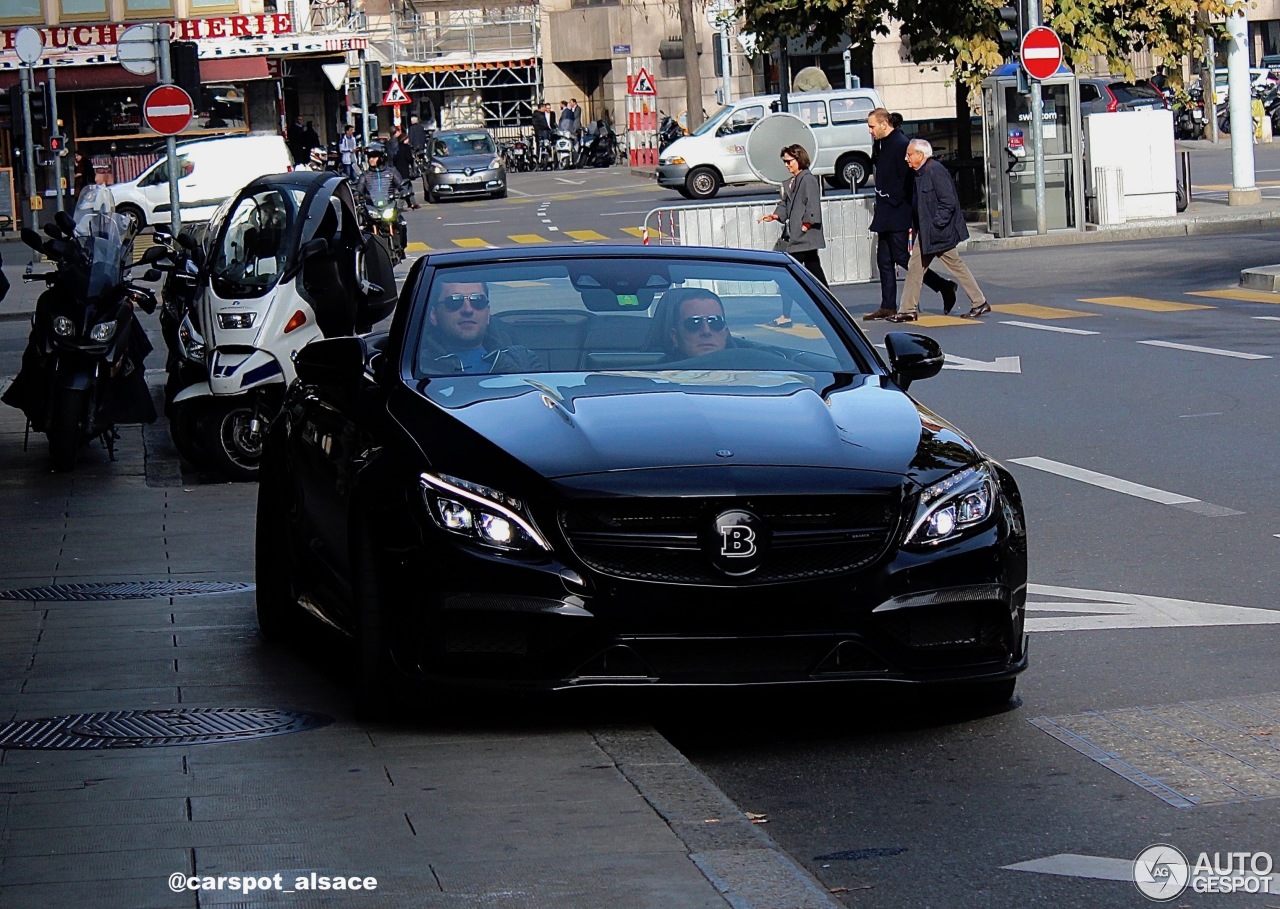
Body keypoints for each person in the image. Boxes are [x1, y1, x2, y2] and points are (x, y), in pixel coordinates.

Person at [863, 108, 957, 320]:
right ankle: (888, 305)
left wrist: (893, 198)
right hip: (886, 209)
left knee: (902, 257)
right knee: (884, 259)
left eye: (872, 126)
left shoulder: (899, 143)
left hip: (898, 209)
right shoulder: (882, 143)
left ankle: (943, 286)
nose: (870, 131)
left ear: (884, 124)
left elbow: (908, 177)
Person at [890, 138, 990, 322]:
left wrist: (936, 224)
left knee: (954, 265)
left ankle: (979, 302)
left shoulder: (935, 171)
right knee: (915, 267)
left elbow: (948, 201)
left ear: (920, 155)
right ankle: (907, 310)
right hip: (929, 232)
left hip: (938, 232)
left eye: (909, 154)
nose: (906, 158)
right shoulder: (921, 172)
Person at [758, 144, 826, 325]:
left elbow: (812, 204)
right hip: (801, 235)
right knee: (814, 273)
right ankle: (827, 312)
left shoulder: (807, 179)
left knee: (787, 274)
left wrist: (806, 225)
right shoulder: (793, 181)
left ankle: (788, 315)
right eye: (785, 162)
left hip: (804, 235)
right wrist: (775, 215)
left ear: (799, 159)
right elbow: (786, 204)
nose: (787, 165)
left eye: (789, 161)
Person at [419, 280, 544, 374]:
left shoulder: (523, 360)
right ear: (433, 315)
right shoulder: (416, 367)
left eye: (477, 301)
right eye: (454, 301)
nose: (468, 310)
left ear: (488, 313)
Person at [355, 143, 410, 249]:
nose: (371, 159)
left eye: (374, 156)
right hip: (372, 208)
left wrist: (404, 193)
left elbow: (402, 186)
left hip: (389, 206)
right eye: (370, 157)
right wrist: (357, 196)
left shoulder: (392, 172)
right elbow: (359, 190)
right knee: (362, 228)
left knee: (401, 223)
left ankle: (400, 247)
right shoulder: (365, 176)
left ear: (381, 157)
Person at [390, 125, 418, 208]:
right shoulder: (406, 148)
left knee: (409, 186)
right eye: (407, 138)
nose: (408, 140)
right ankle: (399, 206)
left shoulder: (397, 148)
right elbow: (409, 158)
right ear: (404, 140)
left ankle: (413, 203)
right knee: (404, 188)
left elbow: (394, 159)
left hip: (398, 170)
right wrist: (412, 159)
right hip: (405, 170)